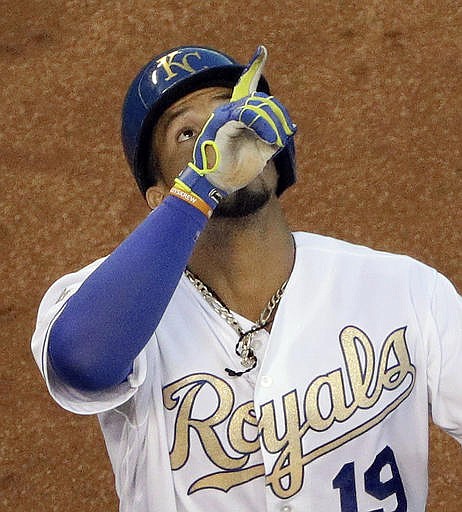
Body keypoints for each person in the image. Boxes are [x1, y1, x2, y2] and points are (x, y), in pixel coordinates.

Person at [31, 44, 462, 512]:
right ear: (159, 200)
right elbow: (82, 363)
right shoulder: (113, 298)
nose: (223, 136)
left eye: (230, 113)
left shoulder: (403, 289)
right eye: (188, 134)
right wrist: (202, 186)